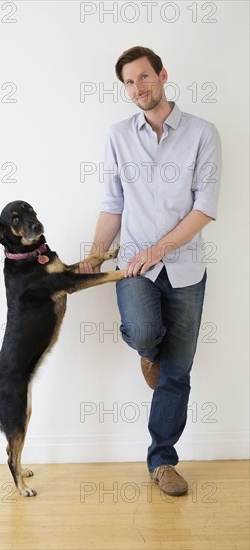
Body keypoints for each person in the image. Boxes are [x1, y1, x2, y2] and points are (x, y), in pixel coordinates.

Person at [80, 46, 221, 496]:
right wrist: (97, 252)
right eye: (128, 83)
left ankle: (163, 462)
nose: (137, 89)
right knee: (143, 331)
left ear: (162, 75)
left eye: (144, 78)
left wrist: (158, 250)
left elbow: (204, 209)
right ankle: (148, 353)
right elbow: (112, 204)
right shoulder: (118, 136)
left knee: (177, 372)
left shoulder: (203, 133)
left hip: (184, 267)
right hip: (134, 265)